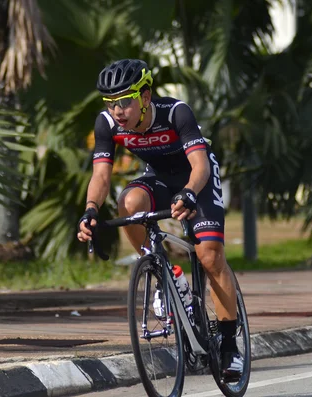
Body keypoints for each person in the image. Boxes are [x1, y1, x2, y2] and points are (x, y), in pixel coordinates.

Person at [76, 59, 243, 382]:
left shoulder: (176, 112)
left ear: (146, 96)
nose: (118, 110)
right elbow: (100, 174)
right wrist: (91, 209)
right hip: (160, 178)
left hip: (198, 179)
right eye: (111, 103)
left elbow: (200, 166)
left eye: (125, 101)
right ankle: (161, 269)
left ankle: (229, 345)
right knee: (130, 201)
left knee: (209, 255)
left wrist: (191, 193)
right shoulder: (107, 124)